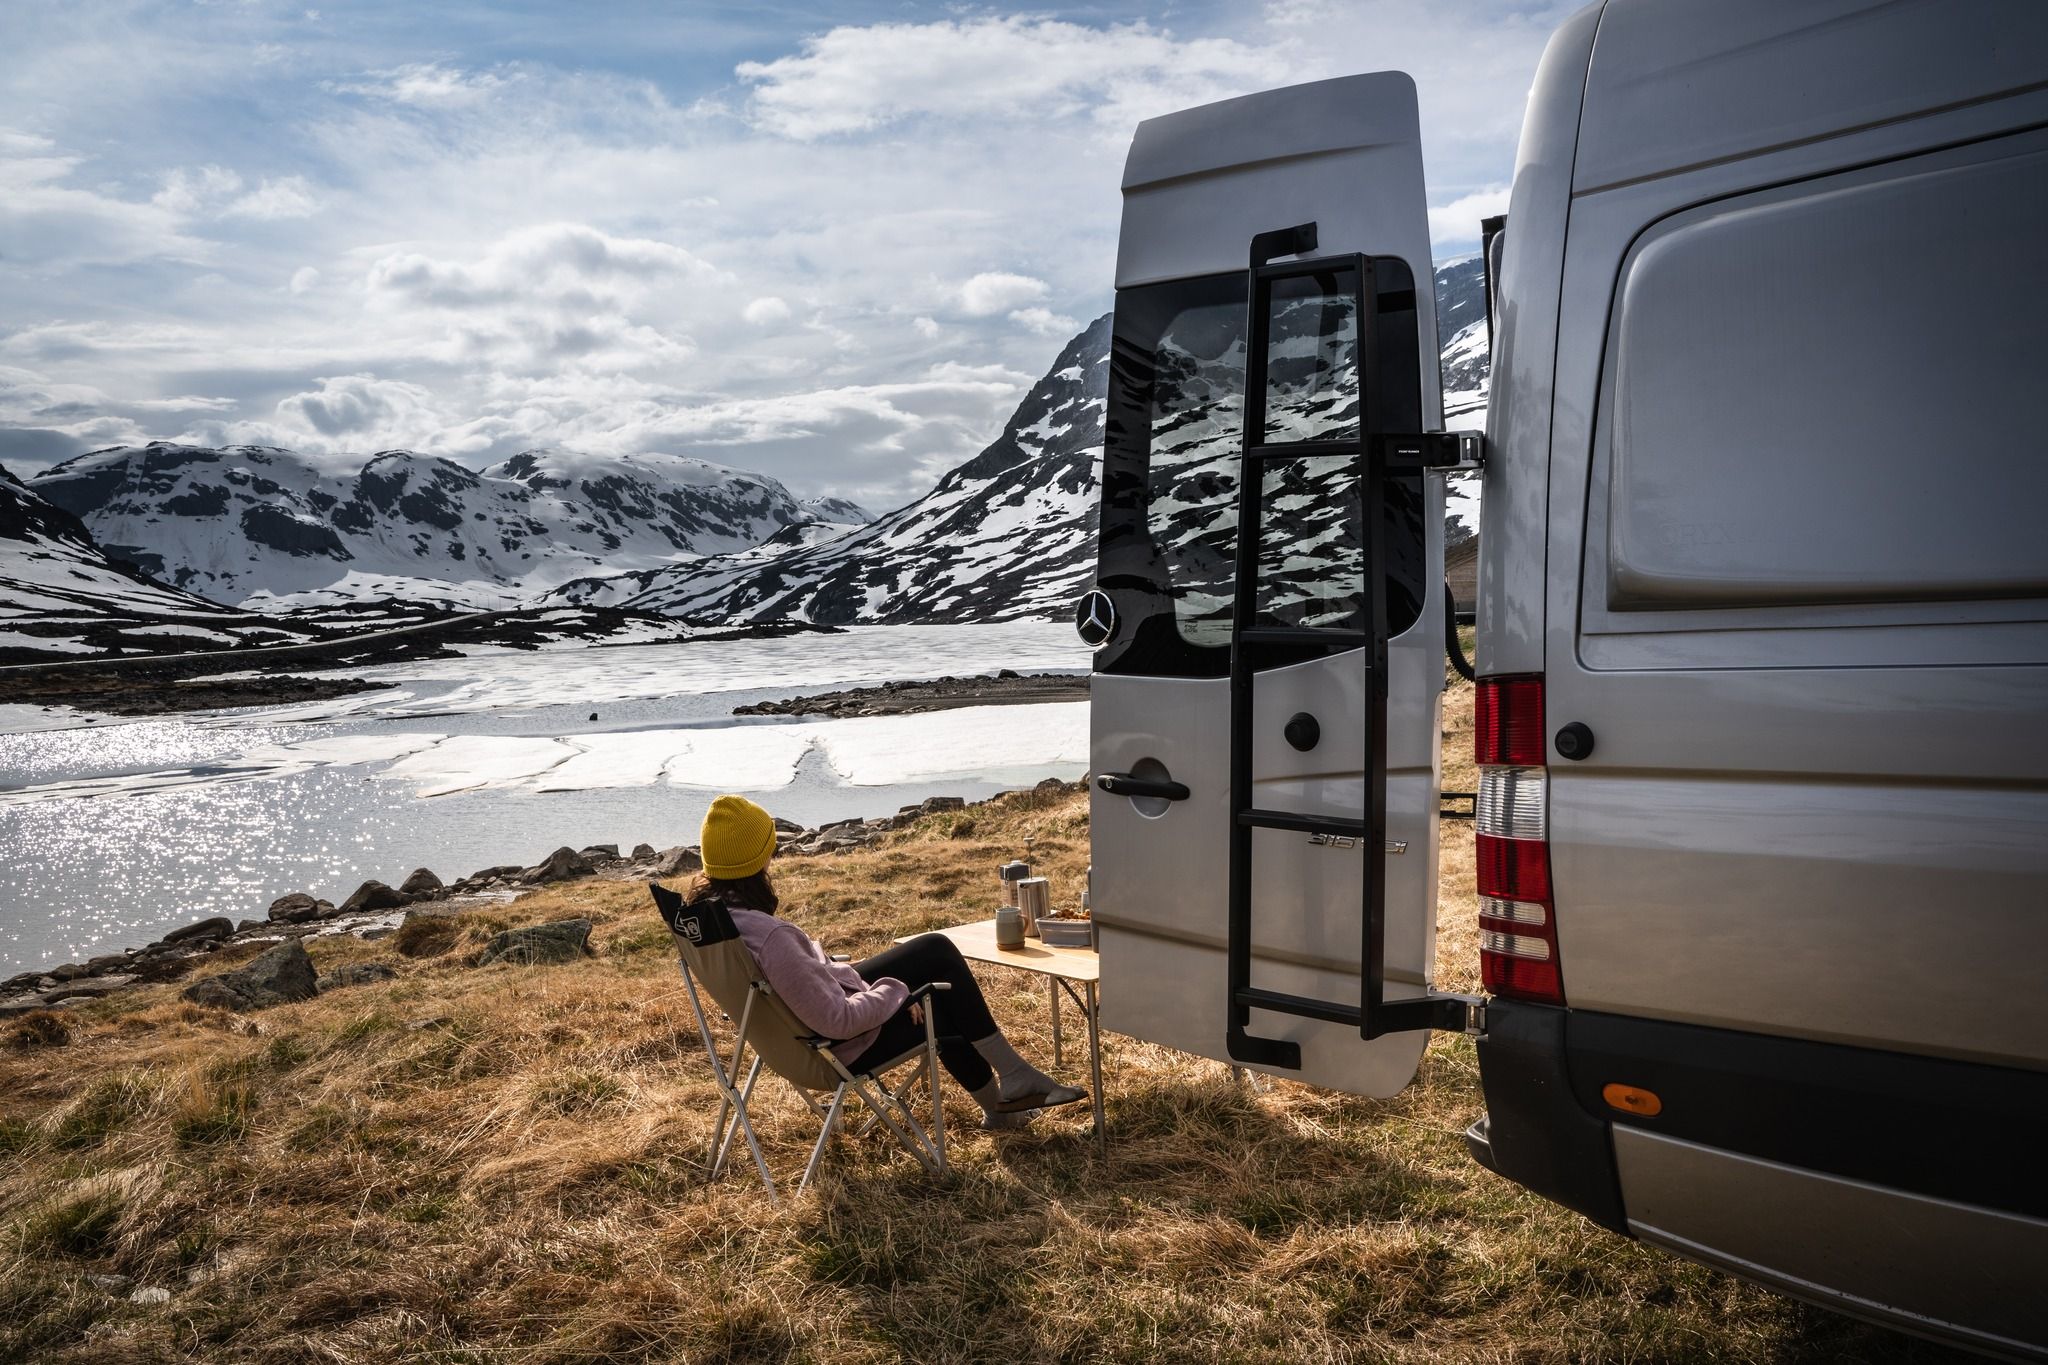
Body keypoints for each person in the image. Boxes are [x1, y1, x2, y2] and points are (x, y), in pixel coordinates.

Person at [684, 794, 1085, 1129]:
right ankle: (1008, 1096)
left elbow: (806, 988)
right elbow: (837, 1020)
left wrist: (867, 985)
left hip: (790, 1038)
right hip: (833, 1050)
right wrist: (895, 993)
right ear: (758, 858)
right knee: (939, 1002)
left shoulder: (715, 921)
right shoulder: (771, 938)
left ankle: (1012, 1082)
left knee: (934, 950)